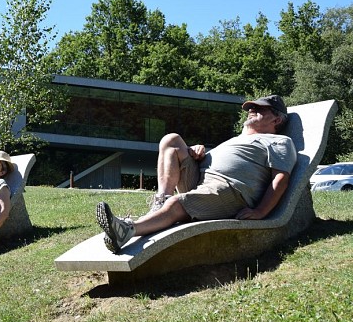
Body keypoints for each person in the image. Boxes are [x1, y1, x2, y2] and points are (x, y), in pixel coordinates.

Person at [97, 94, 297, 254]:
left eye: (260, 108)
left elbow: (280, 179)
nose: (252, 110)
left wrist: (261, 212)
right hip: (202, 179)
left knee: (177, 203)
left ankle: (127, 230)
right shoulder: (236, 139)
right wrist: (197, 152)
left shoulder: (278, 141)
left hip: (231, 190)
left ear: (277, 119)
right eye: (251, 107)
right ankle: (161, 200)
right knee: (172, 140)